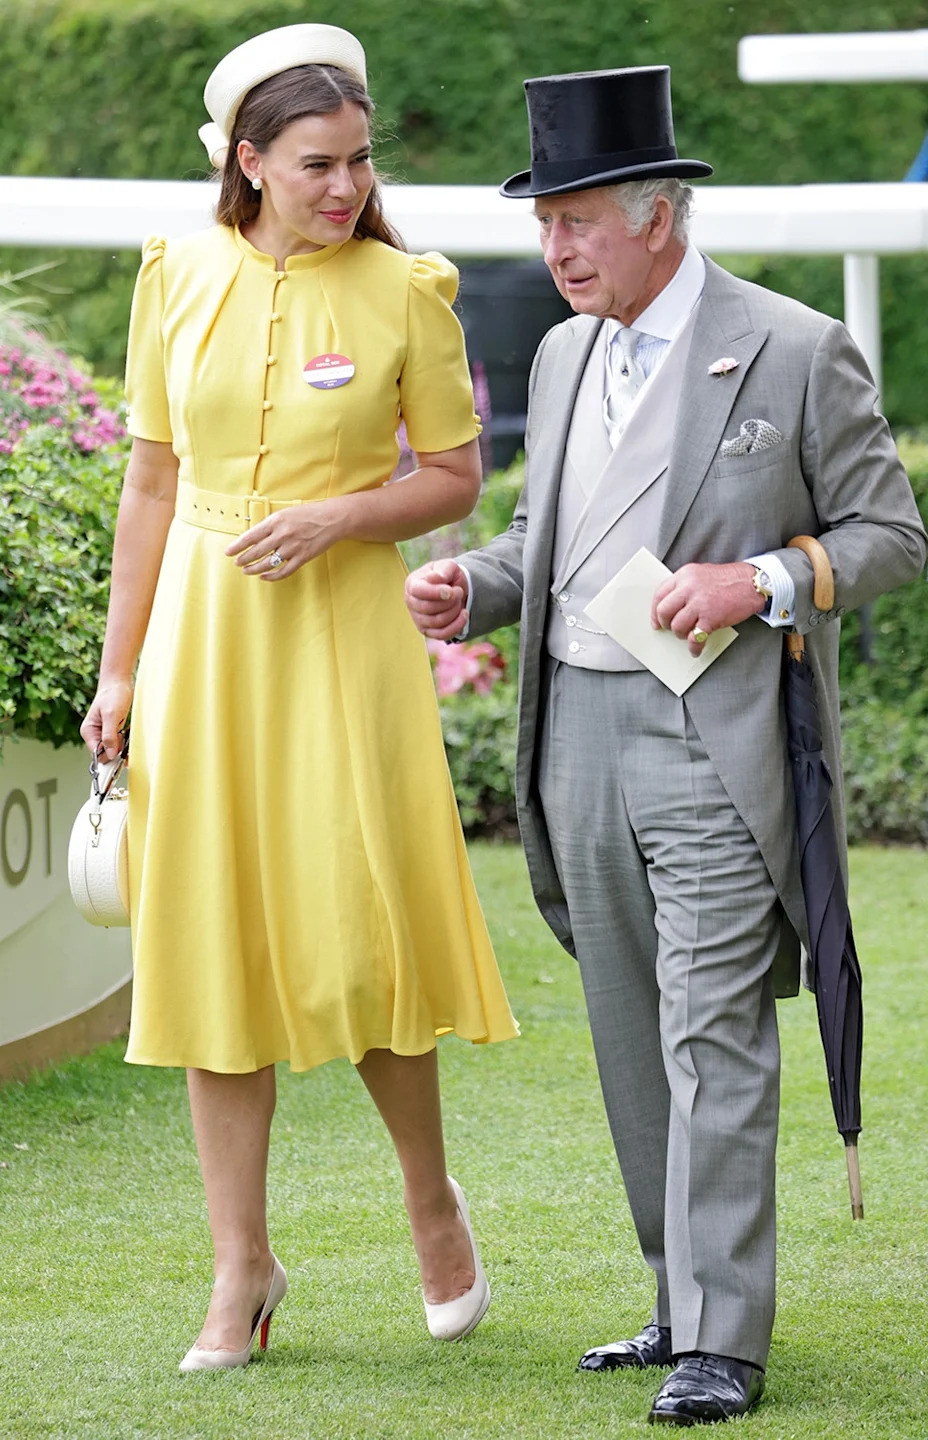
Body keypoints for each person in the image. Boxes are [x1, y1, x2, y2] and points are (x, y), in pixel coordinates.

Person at [405, 65, 927, 1427]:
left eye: (576, 219)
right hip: (573, 729)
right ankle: (675, 1298)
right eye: (543, 224)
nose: (555, 249)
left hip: (715, 740)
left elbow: (891, 541)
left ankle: (725, 1339)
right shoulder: (566, 351)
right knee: (631, 1030)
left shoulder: (797, 347)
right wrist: (481, 586)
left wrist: (759, 580)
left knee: (715, 1032)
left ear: (658, 214)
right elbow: (553, 537)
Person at [80, 22, 517, 1373]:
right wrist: (118, 667)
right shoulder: (179, 274)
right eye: (319, 163)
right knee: (212, 949)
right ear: (249, 162)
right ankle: (241, 1272)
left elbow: (453, 477)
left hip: (345, 641)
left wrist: (334, 522)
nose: (346, 186)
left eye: (361, 161)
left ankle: (430, 1200)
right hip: (204, 640)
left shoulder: (406, 290)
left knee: (365, 937)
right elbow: (151, 480)